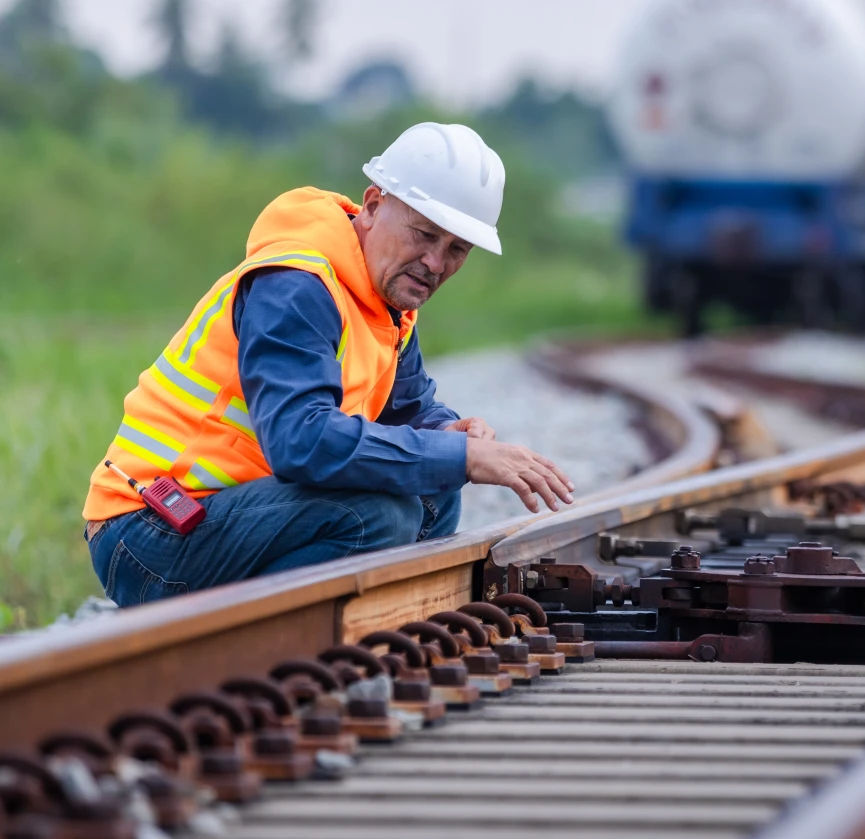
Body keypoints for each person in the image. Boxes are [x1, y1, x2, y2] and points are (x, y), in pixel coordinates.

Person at [83, 123, 576, 607]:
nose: (434, 263)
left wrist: (451, 432)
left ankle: (370, 631)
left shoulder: (388, 301)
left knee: (435, 486)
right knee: (377, 515)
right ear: (374, 206)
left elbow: (407, 409)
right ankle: (280, 645)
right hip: (151, 529)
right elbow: (300, 442)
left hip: (228, 512)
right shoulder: (297, 286)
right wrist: (460, 457)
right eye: (424, 235)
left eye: (456, 250)